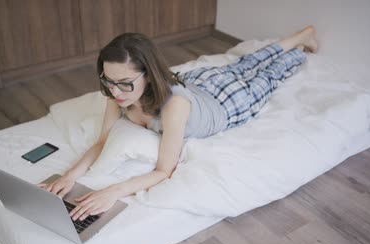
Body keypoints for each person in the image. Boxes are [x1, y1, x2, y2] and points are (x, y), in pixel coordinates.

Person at [39, 26, 318, 221]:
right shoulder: (118, 93)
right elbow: (102, 141)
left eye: (124, 84)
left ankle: (301, 47)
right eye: (108, 81)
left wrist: (114, 191)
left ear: (149, 76)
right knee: (244, 64)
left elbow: (164, 171)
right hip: (199, 86)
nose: (115, 92)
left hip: (224, 105)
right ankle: (300, 34)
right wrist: (69, 176)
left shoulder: (173, 106)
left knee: (267, 77)